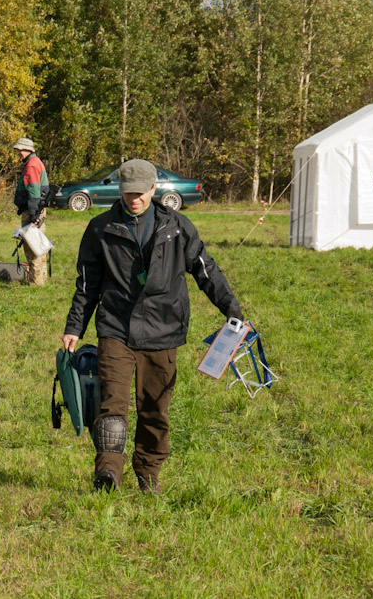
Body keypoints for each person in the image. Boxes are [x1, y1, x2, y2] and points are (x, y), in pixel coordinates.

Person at [61, 159, 242, 494]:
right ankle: (108, 474)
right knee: (111, 405)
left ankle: (148, 475)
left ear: (153, 190)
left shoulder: (177, 226)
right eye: (129, 192)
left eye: (141, 193)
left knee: (154, 409)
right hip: (116, 327)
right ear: (120, 190)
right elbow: (87, 284)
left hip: (163, 328)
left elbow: (206, 269)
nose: (135, 199)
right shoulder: (100, 228)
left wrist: (231, 308)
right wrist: (75, 326)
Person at [13, 136, 50, 285]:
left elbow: (34, 191)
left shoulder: (32, 165)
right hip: (35, 209)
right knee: (38, 246)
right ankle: (41, 280)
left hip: (32, 210)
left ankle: (35, 282)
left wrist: (33, 214)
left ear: (28, 150)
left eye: (20, 150)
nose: (18, 153)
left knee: (32, 247)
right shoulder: (34, 162)